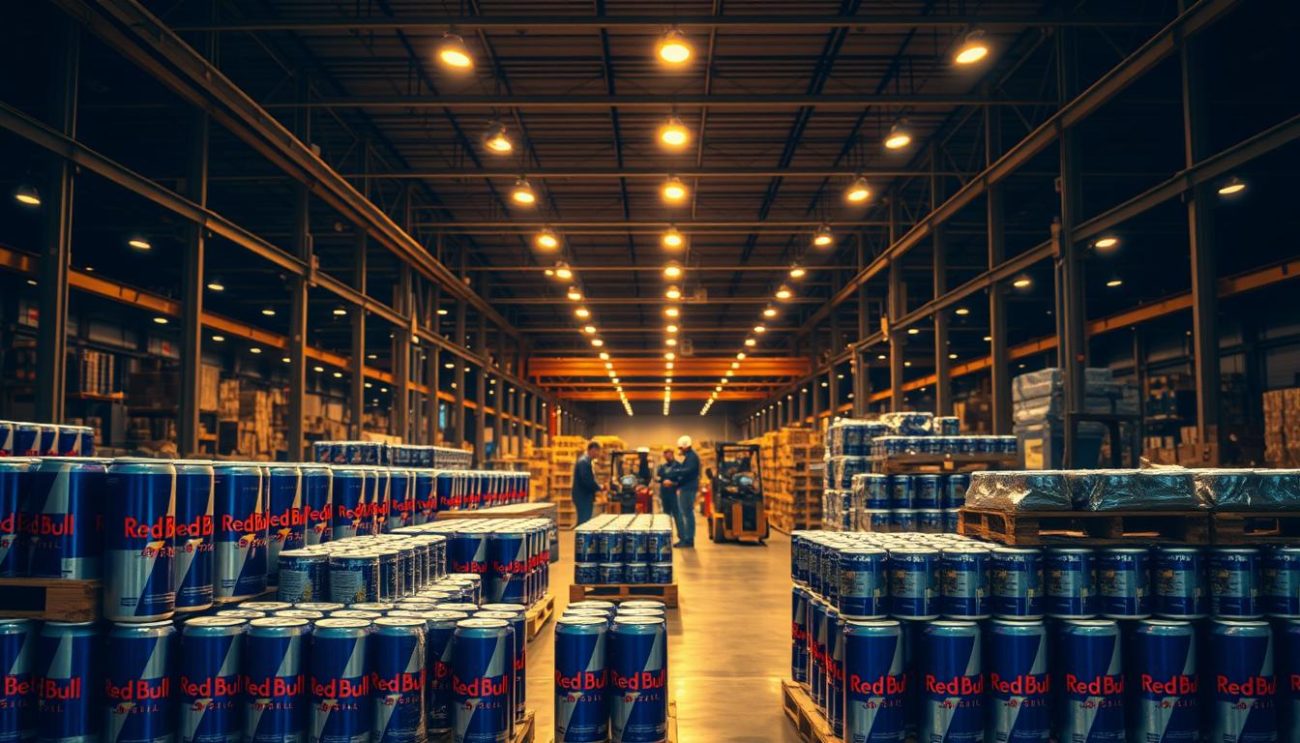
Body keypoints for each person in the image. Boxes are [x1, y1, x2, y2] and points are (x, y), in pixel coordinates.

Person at [663, 435, 700, 547]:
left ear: (686, 447)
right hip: (686, 487)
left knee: (686, 513)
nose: (679, 450)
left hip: (688, 488)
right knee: (686, 513)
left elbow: (687, 472)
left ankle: (688, 540)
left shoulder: (692, 457)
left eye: (680, 448)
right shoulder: (689, 457)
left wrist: (675, 473)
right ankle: (687, 539)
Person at [571, 440, 602, 525]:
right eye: (598, 451)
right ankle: (581, 538)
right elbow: (586, 480)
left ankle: (581, 538)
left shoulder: (586, 461)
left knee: (584, 520)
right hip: (582, 496)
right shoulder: (583, 462)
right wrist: (599, 488)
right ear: (593, 450)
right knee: (583, 521)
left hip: (584, 496)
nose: (598, 454)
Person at [656, 448, 678, 522]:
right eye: (665, 456)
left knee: (677, 514)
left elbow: (681, 480)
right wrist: (659, 480)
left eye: (668, 455)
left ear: (672, 454)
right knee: (666, 515)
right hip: (664, 493)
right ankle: (668, 532)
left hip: (674, 493)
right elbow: (659, 477)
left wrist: (672, 483)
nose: (667, 457)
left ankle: (681, 533)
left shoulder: (678, 466)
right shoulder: (663, 466)